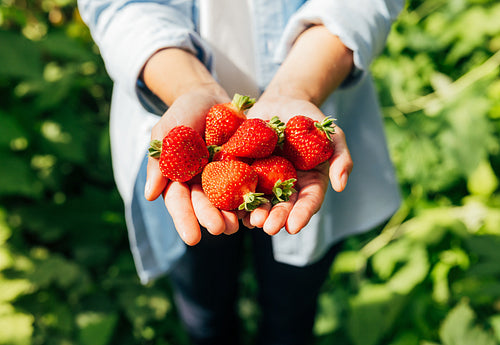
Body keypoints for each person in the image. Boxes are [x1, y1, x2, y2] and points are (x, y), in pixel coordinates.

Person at [78, 1, 404, 344]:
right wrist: (189, 89)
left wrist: (298, 89)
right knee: (204, 309)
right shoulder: (200, 148)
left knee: (292, 308)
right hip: (170, 96)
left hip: (319, 85)